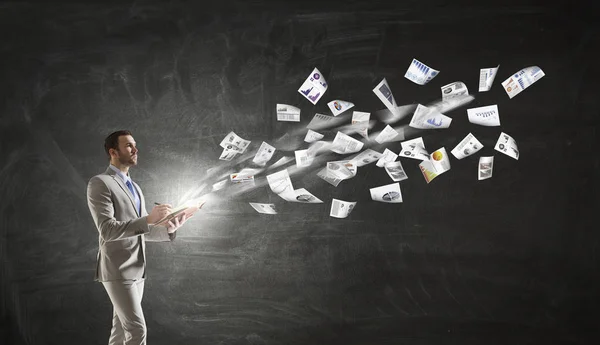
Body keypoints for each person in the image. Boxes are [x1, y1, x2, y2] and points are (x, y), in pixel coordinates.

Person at [86, 130, 190, 345]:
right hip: (117, 269)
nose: (135, 149)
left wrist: (170, 229)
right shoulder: (100, 183)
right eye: (129, 146)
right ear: (113, 152)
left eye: (135, 145)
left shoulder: (136, 188)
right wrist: (149, 219)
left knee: (121, 332)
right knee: (136, 330)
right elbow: (107, 230)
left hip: (138, 270)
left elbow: (140, 230)